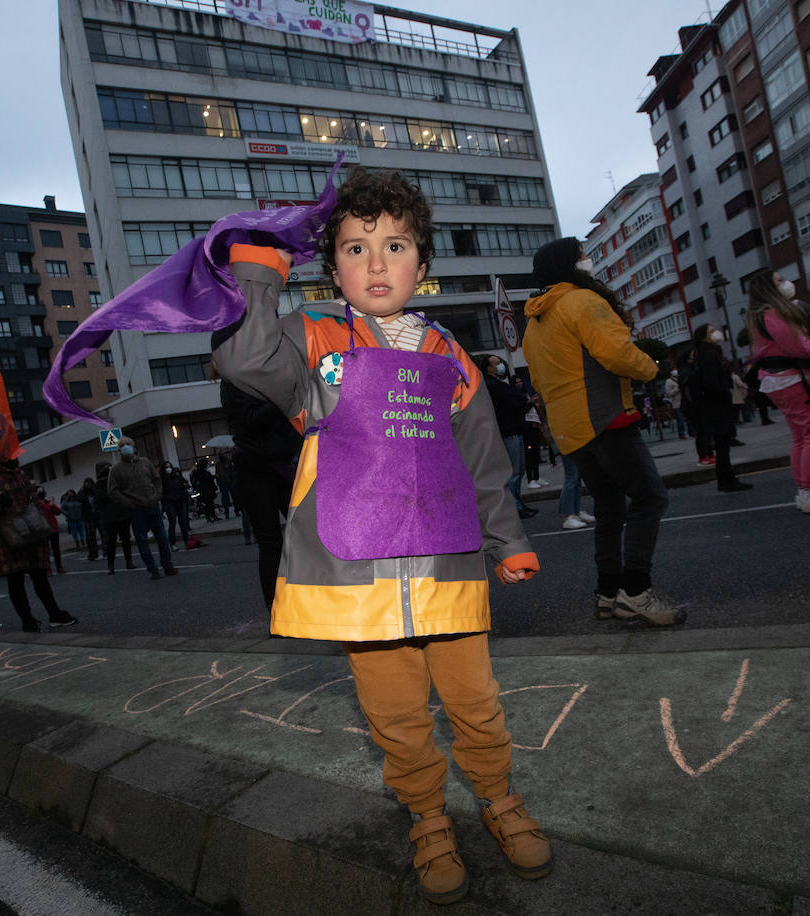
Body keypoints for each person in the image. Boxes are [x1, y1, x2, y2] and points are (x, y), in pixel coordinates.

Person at [215, 166, 550, 905]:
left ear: (422, 267)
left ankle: (499, 798)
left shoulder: (450, 357)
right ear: (331, 264)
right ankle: (428, 817)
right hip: (358, 572)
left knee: (476, 700)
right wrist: (259, 278)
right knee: (394, 715)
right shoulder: (311, 337)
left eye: (395, 246)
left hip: (450, 562)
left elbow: (484, 460)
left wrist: (507, 538)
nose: (376, 262)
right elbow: (241, 359)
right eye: (356, 247)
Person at [522, 236, 685, 626]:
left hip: (570, 429)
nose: (587, 259)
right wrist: (653, 368)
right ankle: (636, 591)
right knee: (649, 497)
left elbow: (540, 385)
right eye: (581, 254)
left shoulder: (534, 324)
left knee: (610, 507)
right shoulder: (583, 302)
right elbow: (616, 354)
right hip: (605, 417)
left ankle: (608, 593)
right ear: (569, 264)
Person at [746, 271, 810, 513]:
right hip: (793, 380)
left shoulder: (763, 316)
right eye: (779, 281)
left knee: (803, 436)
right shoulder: (773, 315)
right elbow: (801, 347)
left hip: (782, 380)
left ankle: (807, 492)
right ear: (769, 289)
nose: (786, 283)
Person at [215, 372, 304, 604]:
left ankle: (305, 600)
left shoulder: (263, 371)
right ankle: (276, 610)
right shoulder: (234, 378)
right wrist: (279, 399)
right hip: (256, 468)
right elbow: (249, 418)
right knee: (271, 542)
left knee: (305, 532)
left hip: (282, 463)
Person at [0, 460, 80, 632]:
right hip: (5, 533)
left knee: (39, 574)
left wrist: (39, 508)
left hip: (30, 529)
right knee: (16, 578)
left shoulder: (18, 473)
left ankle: (54, 613)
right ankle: (27, 620)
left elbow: (32, 496)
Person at [688, 324, 752, 493]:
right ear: (704, 337)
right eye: (710, 331)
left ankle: (726, 479)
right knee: (723, 444)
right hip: (716, 405)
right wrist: (724, 392)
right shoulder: (709, 354)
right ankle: (726, 480)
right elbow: (711, 382)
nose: (715, 332)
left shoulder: (703, 353)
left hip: (712, 404)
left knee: (722, 443)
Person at [108, 436, 177, 580]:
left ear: (134, 447)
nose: (126, 447)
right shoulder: (116, 469)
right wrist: (128, 503)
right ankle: (152, 569)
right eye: (122, 445)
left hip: (153, 506)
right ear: (119, 450)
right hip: (136, 510)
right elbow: (112, 491)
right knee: (142, 541)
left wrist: (157, 496)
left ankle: (167, 565)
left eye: (128, 444)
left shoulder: (145, 462)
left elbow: (156, 480)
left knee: (162, 538)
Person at [481, 353, 537, 519]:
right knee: (514, 472)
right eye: (496, 363)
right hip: (509, 433)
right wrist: (527, 402)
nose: (500, 366)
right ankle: (515, 506)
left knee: (517, 471)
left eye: (500, 362)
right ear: (489, 368)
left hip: (513, 431)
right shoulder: (494, 386)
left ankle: (518, 503)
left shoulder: (498, 384)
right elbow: (513, 405)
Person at [94, 462, 135, 573]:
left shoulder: (117, 482)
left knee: (126, 540)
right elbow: (103, 498)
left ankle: (129, 561)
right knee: (111, 542)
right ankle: (111, 565)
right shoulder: (99, 485)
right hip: (109, 518)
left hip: (122, 515)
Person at [159, 461, 193, 549]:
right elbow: (161, 493)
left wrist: (185, 488)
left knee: (183, 524)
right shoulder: (162, 479)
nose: (168, 469)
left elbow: (185, 485)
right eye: (166, 467)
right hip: (170, 503)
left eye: (169, 466)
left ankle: (186, 542)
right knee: (172, 523)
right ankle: (173, 544)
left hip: (180, 502)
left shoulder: (177, 477)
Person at [33, 487, 65, 574]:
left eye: (42, 491)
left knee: (56, 549)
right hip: (43, 530)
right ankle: (47, 568)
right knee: (45, 550)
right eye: (39, 491)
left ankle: (59, 566)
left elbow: (58, 512)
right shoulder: (34, 505)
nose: (41, 493)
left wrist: (53, 505)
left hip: (53, 529)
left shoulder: (48, 503)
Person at [663, 369, 691, 440]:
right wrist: (677, 389)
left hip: (685, 401)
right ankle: (681, 434)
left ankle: (692, 432)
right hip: (677, 403)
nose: (677, 377)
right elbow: (668, 393)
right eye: (675, 376)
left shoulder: (681, 379)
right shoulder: (669, 382)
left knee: (689, 419)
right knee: (680, 420)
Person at [78, 475, 101, 561]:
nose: (88, 485)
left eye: (89, 483)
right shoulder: (82, 493)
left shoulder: (95, 491)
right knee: (91, 537)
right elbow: (79, 501)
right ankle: (93, 553)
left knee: (104, 534)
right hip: (88, 517)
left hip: (97, 515)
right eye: (86, 483)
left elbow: (99, 500)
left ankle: (105, 551)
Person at [190, 457, 219, 522]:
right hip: (206, 491)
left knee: (209, 504)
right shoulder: (201, 472)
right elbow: (206, 479)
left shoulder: (199, 472)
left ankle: (211, 516)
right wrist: (213, 477)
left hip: (205, 491)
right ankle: (210, 516)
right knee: (208, 504)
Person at [216, 451, 238, 518]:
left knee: (228, 497)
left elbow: (218, 473)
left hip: (226, 482)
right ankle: (233, 511)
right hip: (227, 482)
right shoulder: (225, 462)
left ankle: (231, 511)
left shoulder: (220, 463)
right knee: (230, 497)